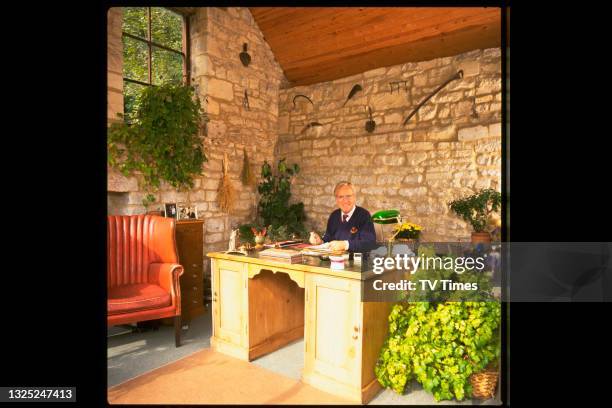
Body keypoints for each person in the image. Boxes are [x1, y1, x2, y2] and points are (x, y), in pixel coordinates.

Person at [310, 181, 377, 253]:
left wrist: (345, 245)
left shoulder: (364, 215)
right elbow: (328, 239)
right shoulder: (334, 216)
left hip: (356, 262)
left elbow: (369, 243)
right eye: (341, 197)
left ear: (354, 197)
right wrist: (320, 241)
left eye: (348, 196)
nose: (345, 201)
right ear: (336, 199)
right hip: (334, 261)